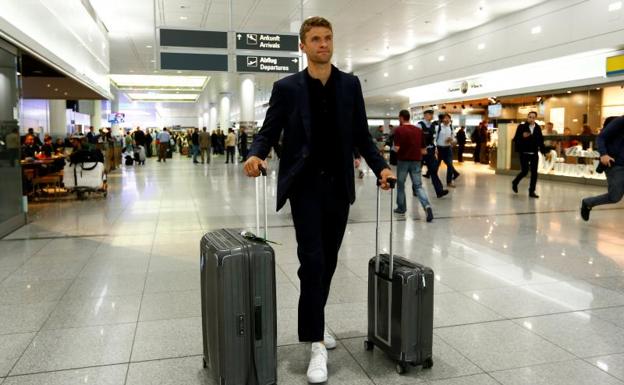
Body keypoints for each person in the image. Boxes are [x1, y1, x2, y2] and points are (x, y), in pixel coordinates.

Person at [243, 17, 394, 384]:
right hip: (305, 186)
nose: (323, 44)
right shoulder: (288, 87)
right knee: (312, 262)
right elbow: (269, 130)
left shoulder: (349, 85)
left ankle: (317, 319)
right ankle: (314, 344)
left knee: (326, 262)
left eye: (328, 38)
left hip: (339, 187)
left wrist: (381, 167)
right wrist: (256, 154)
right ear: (303, 46)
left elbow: (361, 134)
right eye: (315, 39)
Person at [393, 110, 433, 222]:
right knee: (418, 186)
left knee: (401, 185)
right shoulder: (418, 130)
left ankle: (401, 208)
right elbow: (424, 151)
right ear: (409, 117)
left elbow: (397, 148)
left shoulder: (399, 130)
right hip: (416, 161)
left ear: (401, 118)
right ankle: (427, 206)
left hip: (403, 161)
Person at [581, 116, 623, 221]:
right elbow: (601, 137)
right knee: (614, 197)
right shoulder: (620, 121)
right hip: (616, 165)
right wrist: (603, 154)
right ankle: (587, 203)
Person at [512, 111, 545, 198]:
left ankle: (531, 191)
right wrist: (522, 137)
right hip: (524, 153)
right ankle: (515, 182)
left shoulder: (538, 128)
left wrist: (544, 151)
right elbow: (515, 139)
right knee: (525, 171)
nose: (531, 119)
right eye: (530, 117)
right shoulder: (522, 127)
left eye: (533, 117)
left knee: (534, 173)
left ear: (535, 118)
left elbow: (541, 141)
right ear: (527, 117)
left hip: (534, 153)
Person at [417, 110, 448, 198]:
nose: (431, 116)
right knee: (417, 171)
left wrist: (436, 149)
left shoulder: (433, 125)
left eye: (432, 115)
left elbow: (434, 138)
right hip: (421, 151)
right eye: (430, 115)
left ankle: (439, 191)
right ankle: (416, 189)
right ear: (426, 115)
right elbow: (416, 138)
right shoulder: (419, 125)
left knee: (434, 170)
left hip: (430, 151)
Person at [435, 113, 460, 187]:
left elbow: (454, 138)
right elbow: (434, 139)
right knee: (436, 166)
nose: (447, 120)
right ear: (442, 119)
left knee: (450, 165)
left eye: (448, 118)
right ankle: (435, 180)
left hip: (448, 149)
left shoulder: (451, 127)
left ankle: (449, 182)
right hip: (439, 149)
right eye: (445, 118)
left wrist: (452, 140)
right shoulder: (438, 127)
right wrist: (435, 148)